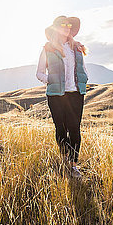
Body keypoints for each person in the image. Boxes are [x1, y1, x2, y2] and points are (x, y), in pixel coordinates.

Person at [36, 15, 89, 178]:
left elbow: (83, 69)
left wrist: (84, 78)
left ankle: (73, 166)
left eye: (69, 25)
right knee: (61, 129)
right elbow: (39, 72)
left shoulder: (77, 48)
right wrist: (50, 80)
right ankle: (65, 158)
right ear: (57, 28)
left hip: (75, 94)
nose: (67, 27)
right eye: (63, 25)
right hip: (56, 95)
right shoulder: (48, 48)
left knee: (74, 129)